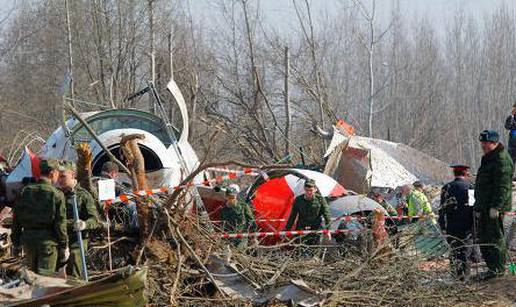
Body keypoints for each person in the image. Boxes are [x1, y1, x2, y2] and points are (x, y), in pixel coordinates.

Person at [11, 159, 69, 276]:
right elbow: (60, 223)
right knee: (45, 280)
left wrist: (16, 243)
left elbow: (16, 221)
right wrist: (64, 245)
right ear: (53, 173)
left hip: (28, 242)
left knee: (32, 277)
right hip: (47, 243)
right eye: (58, 173)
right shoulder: (56, 194)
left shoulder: (24, 192)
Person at [474, 130, 513, 280]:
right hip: (485, 205)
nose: (483, 145)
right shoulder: (489, 157)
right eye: (482, 143)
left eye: (486, 143)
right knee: (484, 237)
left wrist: (496, 206)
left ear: (494, 142)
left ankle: (498, 269)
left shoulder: (501, 159)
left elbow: (502, 186)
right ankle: (492, 268)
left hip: (493, 207)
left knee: (495, 238)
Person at [58, 161, 101, 278]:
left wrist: (84, 224)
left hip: (76, 240)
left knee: (74, 270)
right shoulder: (57, 194)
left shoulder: (83, 195)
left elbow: (95, 220)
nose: (59, 180)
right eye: (58, 176)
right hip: (59, 238)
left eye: (63, 176)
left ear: (72, 175)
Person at [438, 164, 474, 280]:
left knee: (454, 251)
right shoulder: (470, 187)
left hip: (451, 226)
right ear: (465, 173)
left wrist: (442, 226)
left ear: (454, 173)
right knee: (465, 252)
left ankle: (455, 276)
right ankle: (464, 278)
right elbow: (474, 209)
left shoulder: (446, 187)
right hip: (466, 226)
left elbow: (441, 209)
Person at [285, 179, 332, 245]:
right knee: (300, 248)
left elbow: (327, 215)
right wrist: (287, 230)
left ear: (315, 189)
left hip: (315, 229)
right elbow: (292, 216)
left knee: (314, 249)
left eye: (311, 190)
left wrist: (328, 230)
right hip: (301, 228)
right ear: (304, 189)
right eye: (307, 190)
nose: (309, 192)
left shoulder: (320, 200)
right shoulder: (298, 200)